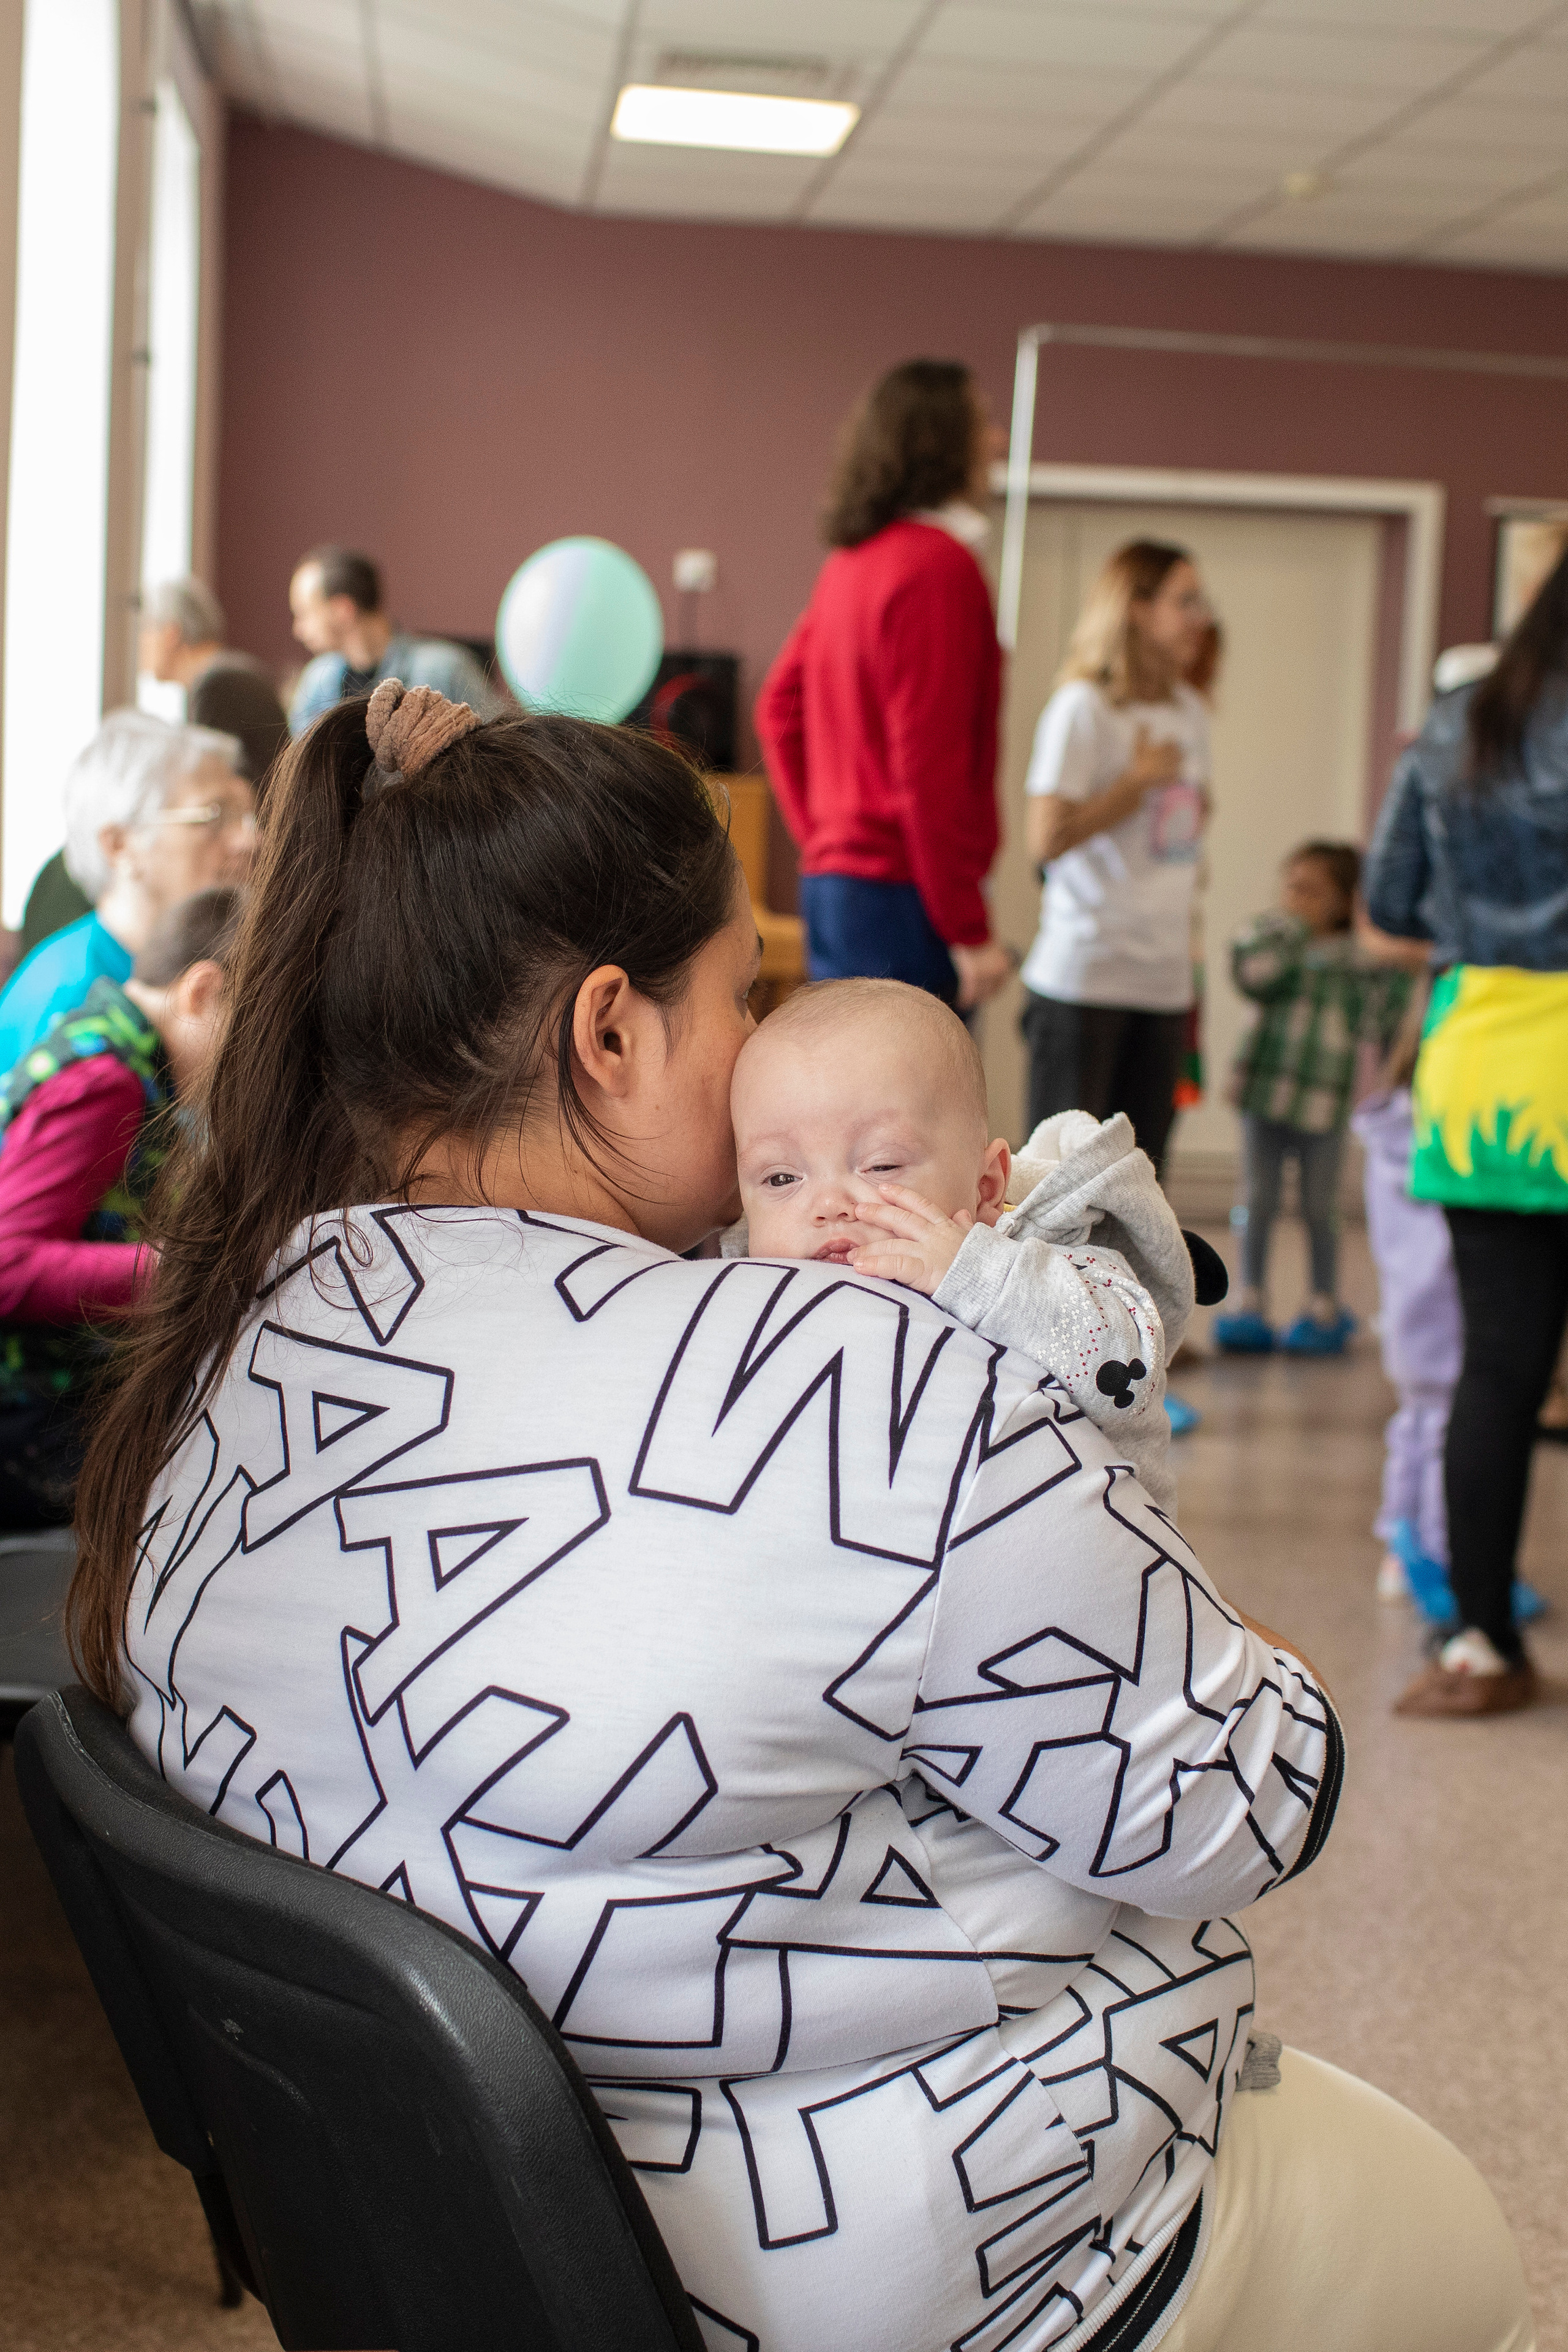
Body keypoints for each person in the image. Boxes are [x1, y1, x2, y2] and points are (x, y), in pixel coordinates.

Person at [67, 682, 1529, 2352]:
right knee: (1464, 2256)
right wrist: (1242, 1639)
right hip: (914, 2277)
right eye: (740, 997)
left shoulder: (232, 1343)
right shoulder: (869, 1388)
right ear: (609, 1035)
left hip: (452, 2265)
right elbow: (1248, 1807)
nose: (766, 1046)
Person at [726, 978, 1185, 1510]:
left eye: (880, 1165)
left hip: (1094, 1553)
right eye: (781, 1179)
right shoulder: (752, 1279)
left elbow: (1127, 1367)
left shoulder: (1042, 1262)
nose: (829, 1205)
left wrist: (977, 1275)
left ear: (985, 1187)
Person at [1365, 543, 1568, 1720]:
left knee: (1499, 1366)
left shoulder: (1459, 722)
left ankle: (1481, 1641)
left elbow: (1391, 903)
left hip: (1493, 1070)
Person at [755, 360, 1012, 1014]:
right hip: (906, 896)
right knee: (918, 1110)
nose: (998, 440)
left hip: (840, 889)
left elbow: (778, 708)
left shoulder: (851, 563)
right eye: (982, 422)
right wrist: (968, 928)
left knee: (849, 1104)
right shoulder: (940, 567)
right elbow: (928, 768)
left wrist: (825, 838)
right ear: (941, 440)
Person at [0, 886, 241, 1529]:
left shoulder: (126, 1054)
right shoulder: (105, 1078)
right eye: (249, 1034)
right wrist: (174, 1273)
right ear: (202, 992)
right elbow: (9, 1265)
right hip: (29, 1415)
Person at [1018, 540, 1213, 1180]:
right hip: (1085, 978)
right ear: (1135, 608)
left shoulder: (1189, 711)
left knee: (1141, 1184)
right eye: (1183, 601)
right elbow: (1043, 839)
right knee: (1062, 1183)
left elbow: (1185, 842)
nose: (1198, 617)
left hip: (1163, 981)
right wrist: (1133, 785)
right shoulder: (1082, 708)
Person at [1352, 1039, 1545, 1628]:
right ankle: (1446, 1559)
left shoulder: (1385, 1135)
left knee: (1414, 1421)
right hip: (1447, 1322)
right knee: (1449, 1433)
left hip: (1407, 1325)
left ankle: (1398, 1546)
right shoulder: (1454, 1144)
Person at [1214, 842, 1411, 1357]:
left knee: (1321, 1206)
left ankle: (1324, 1303)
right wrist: (1298, 935)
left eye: (1312, 891)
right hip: (1264, 1096)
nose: (1295, 899)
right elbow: (1251, 976)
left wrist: (1380, 956)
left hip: (1323, 1104)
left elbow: (1379, 1019)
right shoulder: (1272, 938)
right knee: (1257, 1199)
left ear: (1344, 902)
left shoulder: (1357, 963)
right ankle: (1250, 1300)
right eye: (1291, 885)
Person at [0, 713, 254, 1077]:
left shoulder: (170, 966)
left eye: (245, 817)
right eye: (213, 816)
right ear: (121, 846)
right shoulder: (74, 1000)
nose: (248, 840)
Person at [287, 545, 503, 735]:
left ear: (343, 610)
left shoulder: (446, 670)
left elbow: (498, 750)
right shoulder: (315, 684)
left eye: (304, 614)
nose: (298, 630)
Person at [139, 575, 290, 787]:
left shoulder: (216, 685)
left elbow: (211, 786)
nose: (140, 644)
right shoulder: (231, 671)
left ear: (170, 634)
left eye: (145, 631)